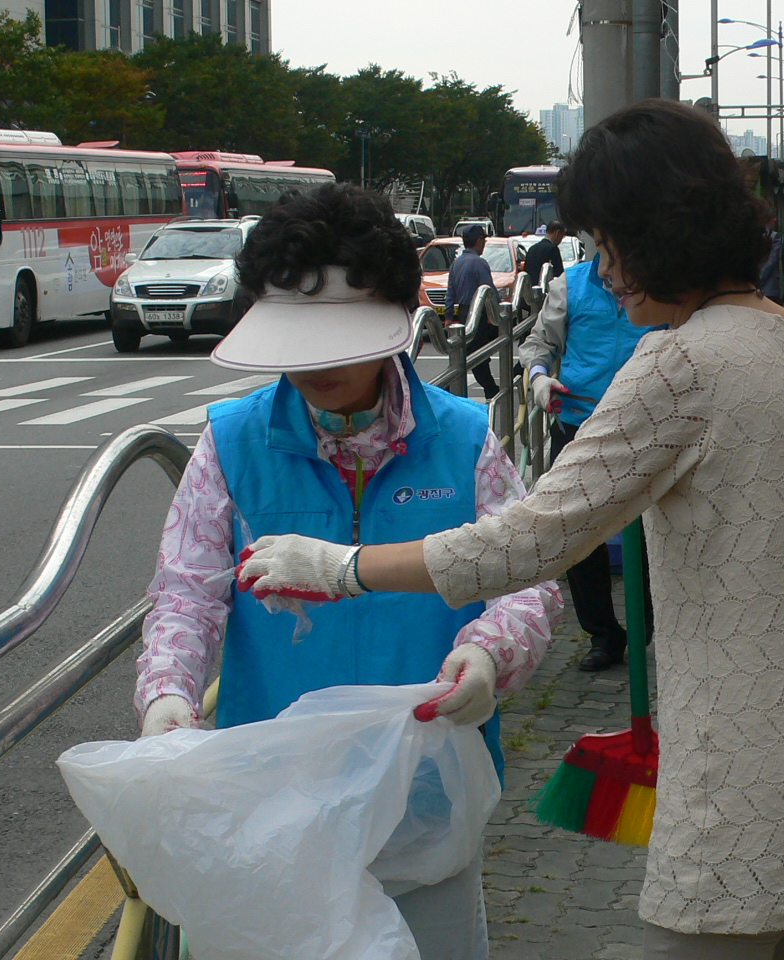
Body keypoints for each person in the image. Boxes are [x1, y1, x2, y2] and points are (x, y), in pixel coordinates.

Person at [238, 100, 784, 960]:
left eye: (607, 243)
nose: (604, 269)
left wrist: (340, 566)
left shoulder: (681, 363)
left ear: (656, 235)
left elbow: (530, 541)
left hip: (747, 796)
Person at [135, 183, 561, 960]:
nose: (316, 367)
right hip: (272, 798)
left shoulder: (464, 441)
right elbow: (185, 597)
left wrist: (490, 655)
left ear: (396, 319)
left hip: (425, 792)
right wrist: (167, 698)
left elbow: (528, 578)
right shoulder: (230, 444)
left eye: (338, 338)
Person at [519, 247, 656, 671]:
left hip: (647, 425)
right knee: (574, 535)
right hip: (579, 422)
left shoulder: (662, 281)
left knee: (657, 530)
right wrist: (541, 378)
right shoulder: (570, 285)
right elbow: (539, 344)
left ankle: (650, 623)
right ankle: (602, 633)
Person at [446, 224, 500, 399]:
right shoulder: (479, 263)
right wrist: (497, 312)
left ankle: (450, 388)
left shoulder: (456, 263)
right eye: (483, 240)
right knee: (478, 355)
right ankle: (490, 388)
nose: (484, 243)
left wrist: (448, 317)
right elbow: (488, 291)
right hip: (478, 313)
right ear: (478, 241)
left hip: (462, 312)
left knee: (464, 352)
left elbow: (450, 292)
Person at [523, 219, 566, 285]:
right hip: (546, 289)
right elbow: (559, 275)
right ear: (557, 233)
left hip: (531, 289)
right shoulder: (553, 249)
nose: (561, 240)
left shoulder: (532, 249)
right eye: (562, 236)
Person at [758, 213, 782, 301]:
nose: (775, 220)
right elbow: (772, 260)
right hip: (769, 287)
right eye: (773, 217)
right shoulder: (774, 236)